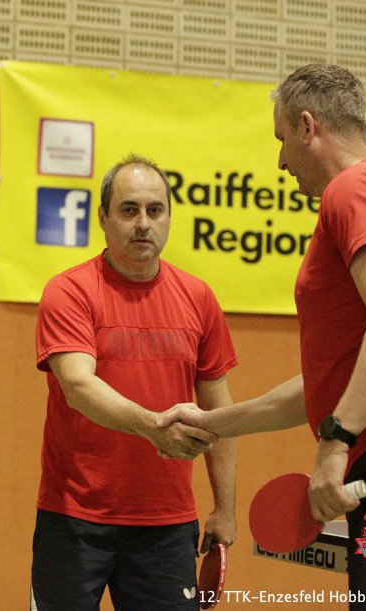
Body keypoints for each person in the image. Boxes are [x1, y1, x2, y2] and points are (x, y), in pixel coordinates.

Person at [160, 63, 366, 611]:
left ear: (308, 126)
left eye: (281, 139)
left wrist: (335, 442)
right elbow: (331, 383)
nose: (280, 161)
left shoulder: (358, 186)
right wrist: (212, 423)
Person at [30, 155, 238, 611]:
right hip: (74, 520)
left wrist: (225, 509)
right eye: (128, 210)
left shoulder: (199, 298)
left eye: (154, 210)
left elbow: (218, 412)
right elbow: (79, 387)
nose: (143, 223)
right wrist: (152, 427)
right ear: (103, 217)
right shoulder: (70, 291)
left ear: (168, 218)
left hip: (167, 528)